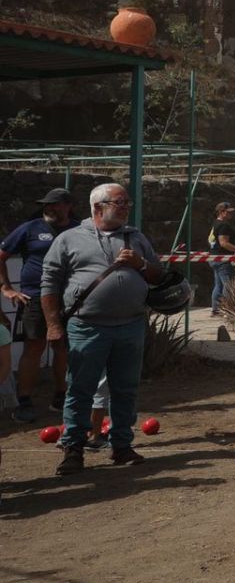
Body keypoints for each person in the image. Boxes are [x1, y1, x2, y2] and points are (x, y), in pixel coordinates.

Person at [42, 183, 166, 474]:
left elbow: (158, 275)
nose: (125, 208)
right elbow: (49, 283)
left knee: (126, 388)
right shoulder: (69, 239)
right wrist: (52, 324)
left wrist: (141, 263)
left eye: (127, 203)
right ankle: (73, 449)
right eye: (118, 202)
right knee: (81, 389)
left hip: (131, 324)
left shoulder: (135, 237)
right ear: (98, 207)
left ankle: (121, 446)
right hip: (87, 326)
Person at [3, 188, 79, 423]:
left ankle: (61, 396)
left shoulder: (79, 229)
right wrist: (6, 288)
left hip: (68, 297)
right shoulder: (30, 228)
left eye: (57, 204)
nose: (52, 209)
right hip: (33, 297)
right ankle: (24, 401)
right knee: (33, 347)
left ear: (68, 206)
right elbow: (1, 255)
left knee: (63, 347)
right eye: (48, 205)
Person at [207, 200, 235, 317]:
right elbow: (224, 243)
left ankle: (216, 309)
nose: (231, 214)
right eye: (228, 212)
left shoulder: (215, 224)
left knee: (218, 285)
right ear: (221, 212)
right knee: (228, 286)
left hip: (214, 258)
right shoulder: (223, 226)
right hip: (223, 259)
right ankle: (226, 310)